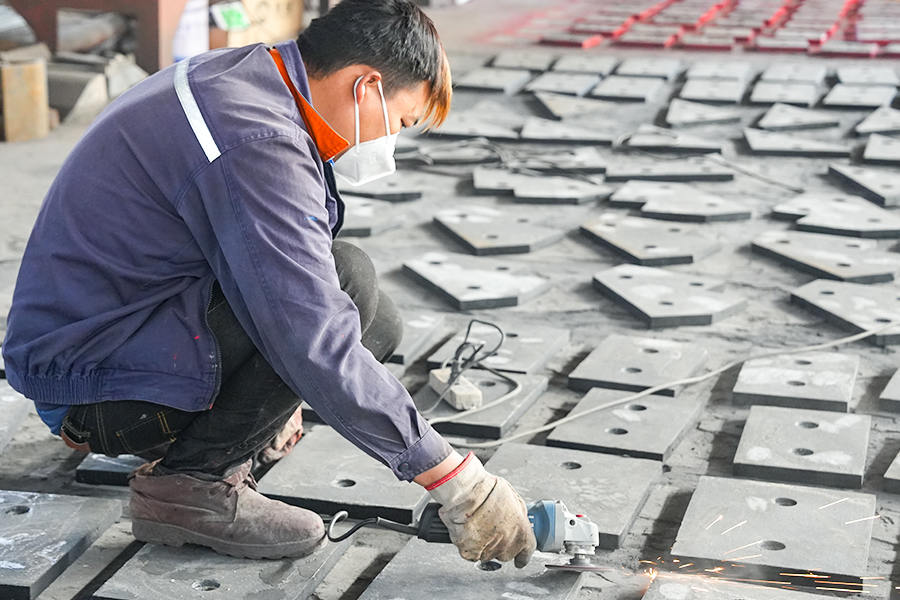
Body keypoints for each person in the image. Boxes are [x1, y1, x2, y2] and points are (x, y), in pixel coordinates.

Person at [2, 0, 536, 567]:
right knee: (344, 287)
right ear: (366, 87)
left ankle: (203, 444)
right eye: (401, 123)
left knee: (372, 318)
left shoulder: (255, 77)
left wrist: (276, 399)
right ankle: (191, 487)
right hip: (92, 390)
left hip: (105, 339)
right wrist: (456, 480)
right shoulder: (255, 140)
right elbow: (309, 331)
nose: (392, 145)